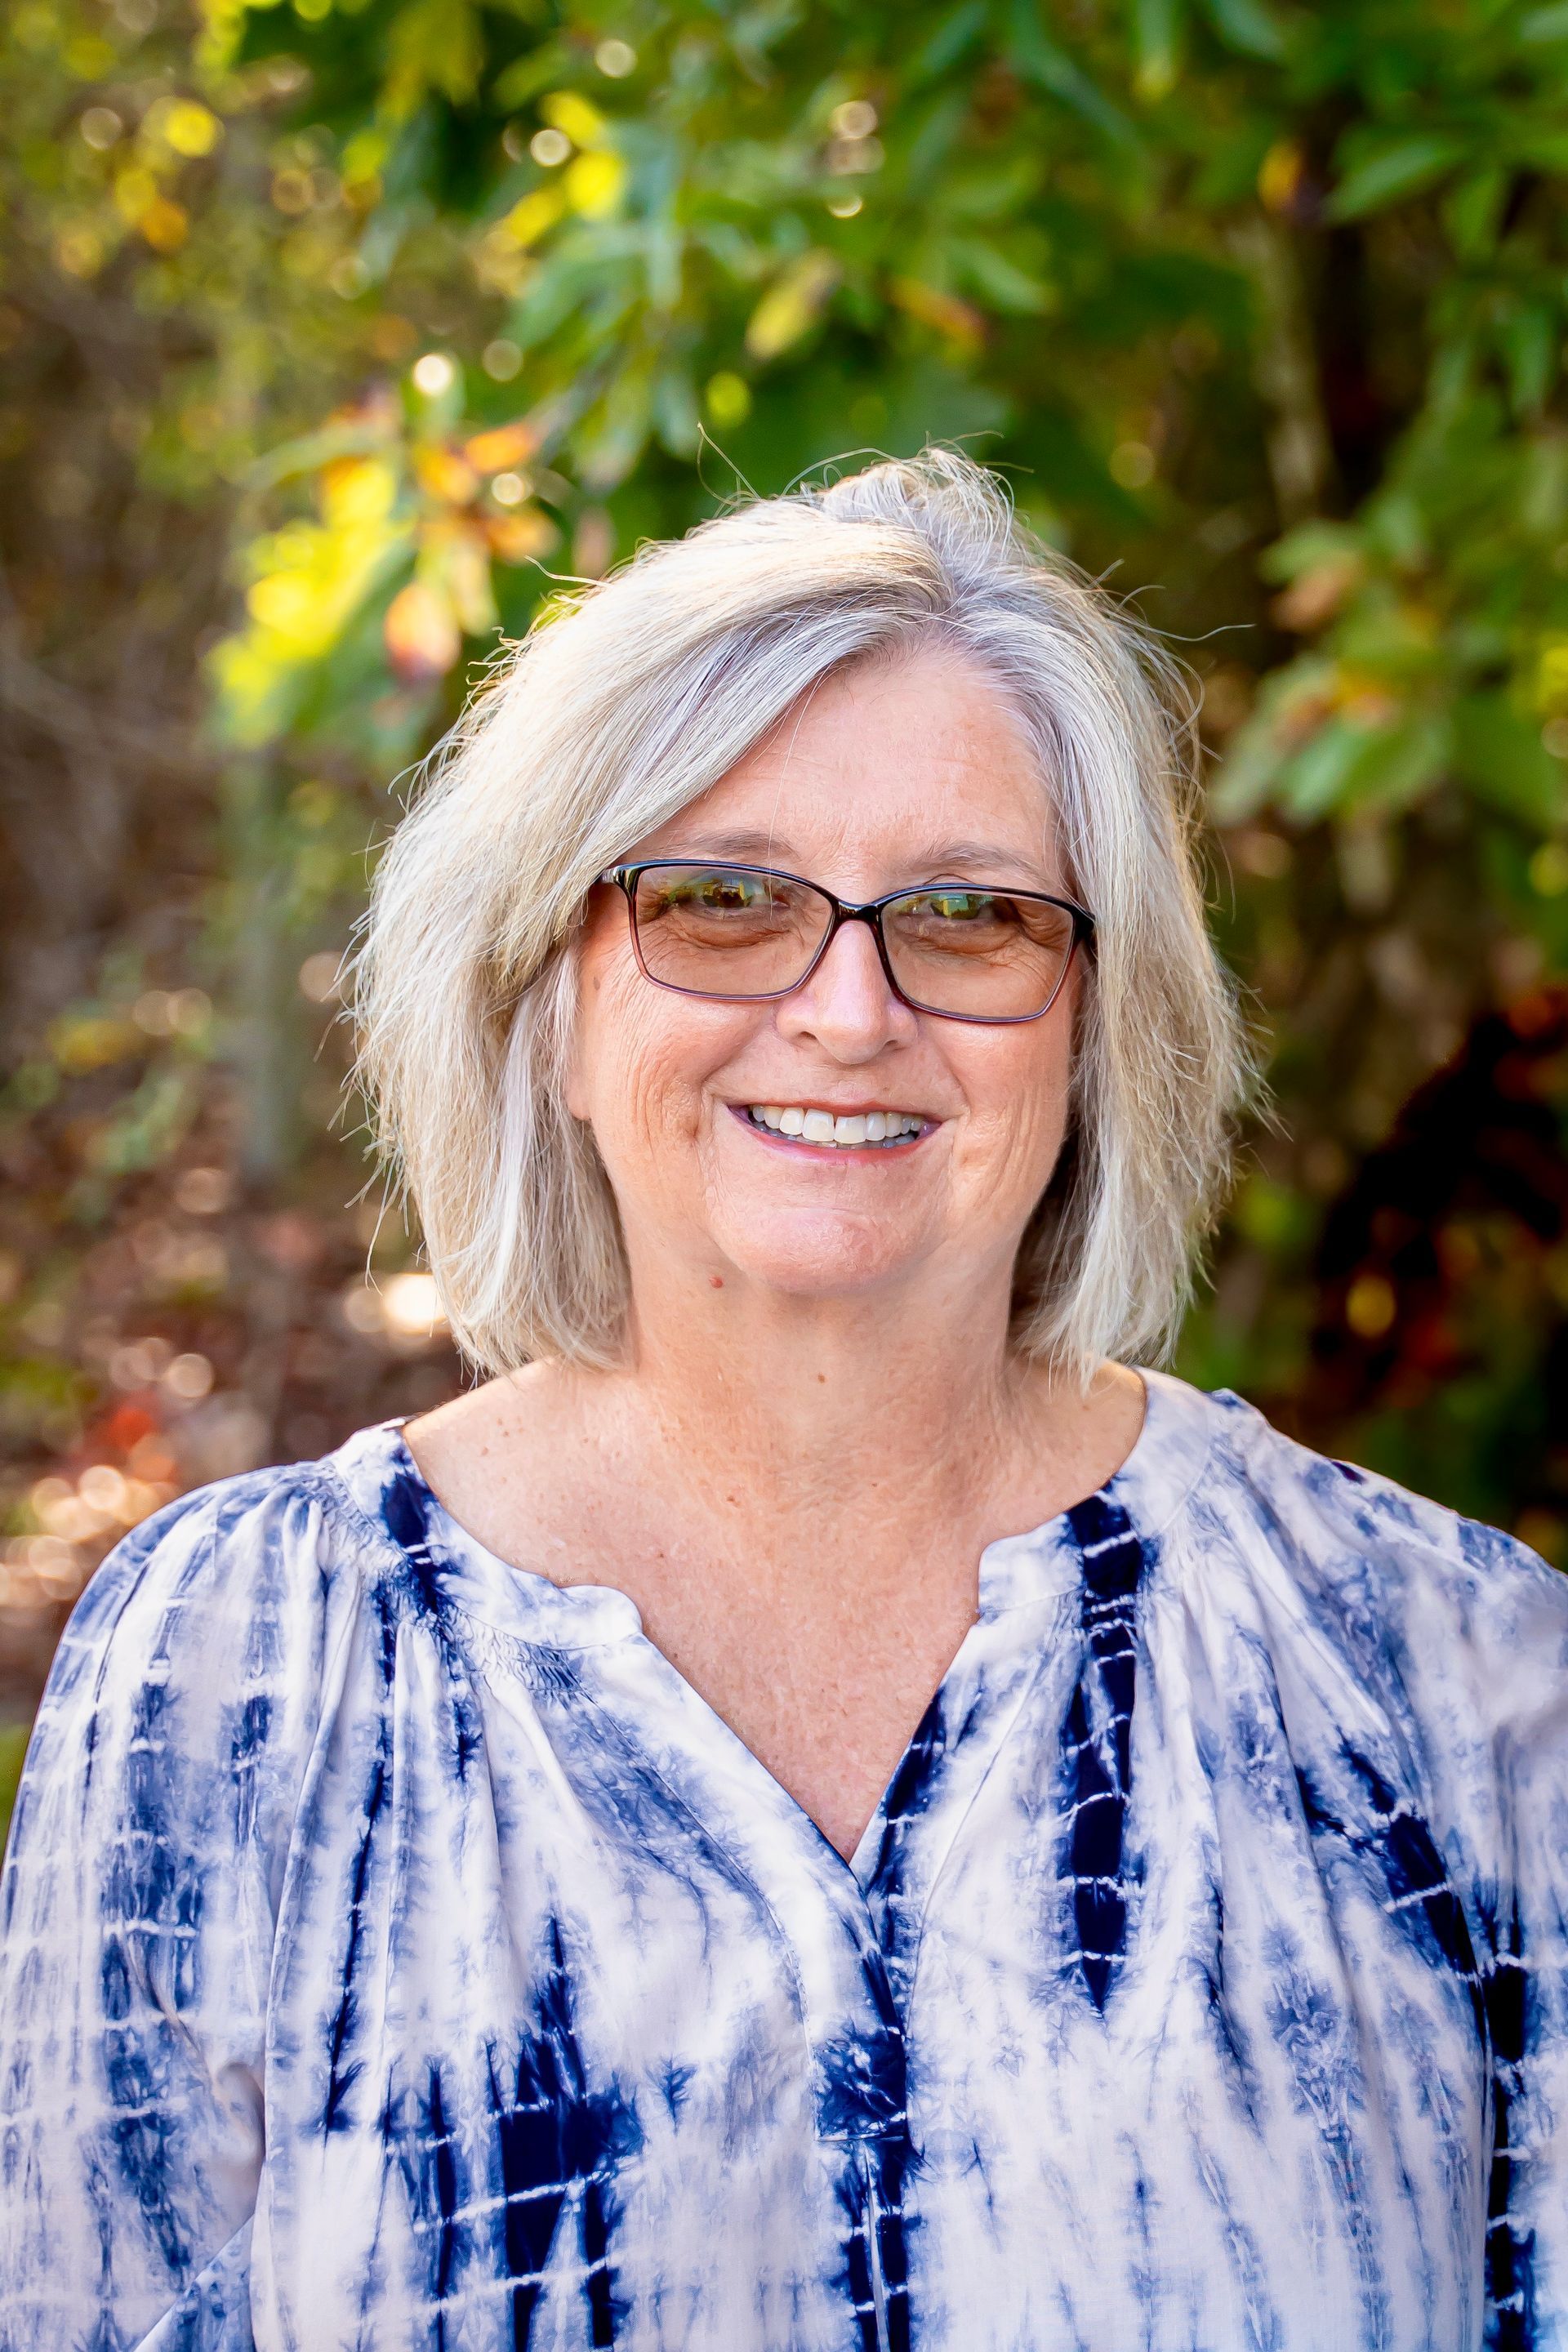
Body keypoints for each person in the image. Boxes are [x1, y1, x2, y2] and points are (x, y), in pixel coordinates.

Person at [1, 452, 1564, 2352]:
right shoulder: (238, 1671)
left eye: (970, 914)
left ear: (1097, 1026)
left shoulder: (1457, 1681)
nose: (846, 1010)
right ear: (549, 1001)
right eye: (724, 900)